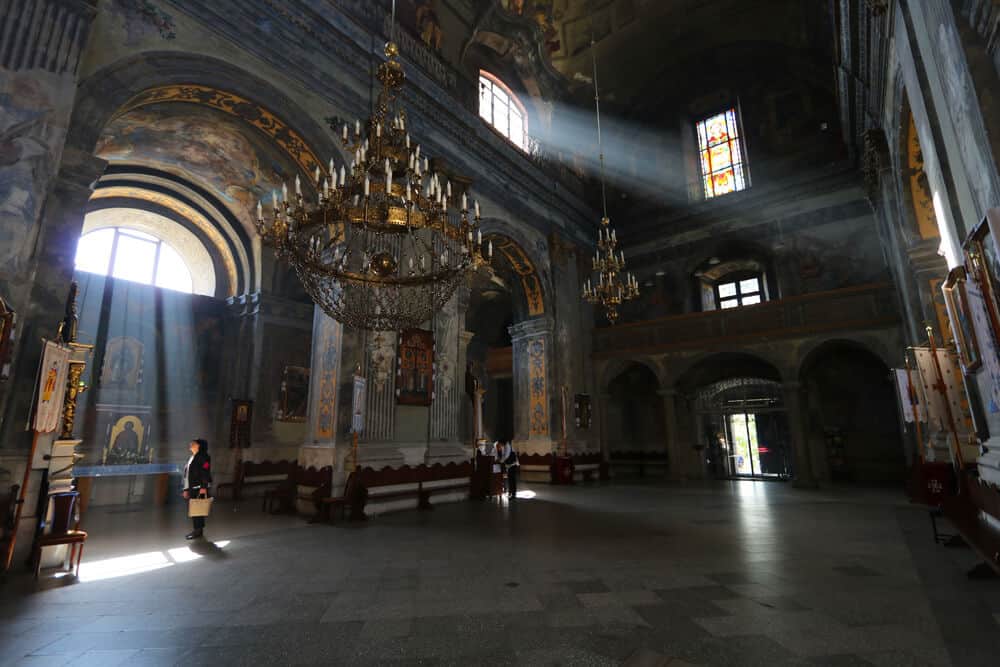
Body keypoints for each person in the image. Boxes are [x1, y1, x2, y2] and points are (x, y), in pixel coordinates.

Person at [182, 438, 212, 540]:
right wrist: (186, 489)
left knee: (197, 509)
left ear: (199, 446)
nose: (190, 444)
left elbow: (205, 472)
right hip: (192, 487)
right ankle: (198, 530)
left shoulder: (204, 457)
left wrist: (203, 487)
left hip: (199, 488)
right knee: (195, 509)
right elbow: (187, 474)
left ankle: (198, 531)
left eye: (193, 443)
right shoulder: (192, 457)